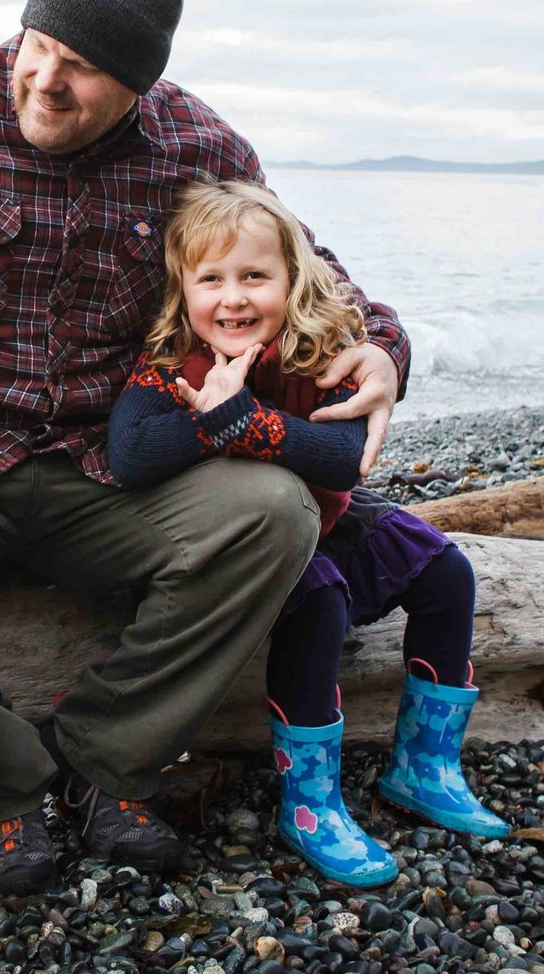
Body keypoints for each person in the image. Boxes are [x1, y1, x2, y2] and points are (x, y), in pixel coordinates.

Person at [0, 0, 412, 897]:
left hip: (107, 461)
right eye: (36, 45)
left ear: (140, 84)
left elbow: (299, 258)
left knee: (273, 514)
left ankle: (107, 761)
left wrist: (378, 342)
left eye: (79, 69)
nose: (42, 80)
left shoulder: (194, 145)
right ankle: (1, 795)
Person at [105, 179, 507, 888]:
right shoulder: (173, 362)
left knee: (448, 571)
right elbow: (131, 454)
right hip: (248, 547)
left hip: (326, 510)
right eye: (212, 279)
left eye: (255, 276)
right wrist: (206, 419)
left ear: (291, 278)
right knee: (317, 601)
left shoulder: (316, 349)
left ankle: (425, 765)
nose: (233, 298)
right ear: (182, 288)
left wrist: (245, 422)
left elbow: (345, 454)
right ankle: (311, 801)